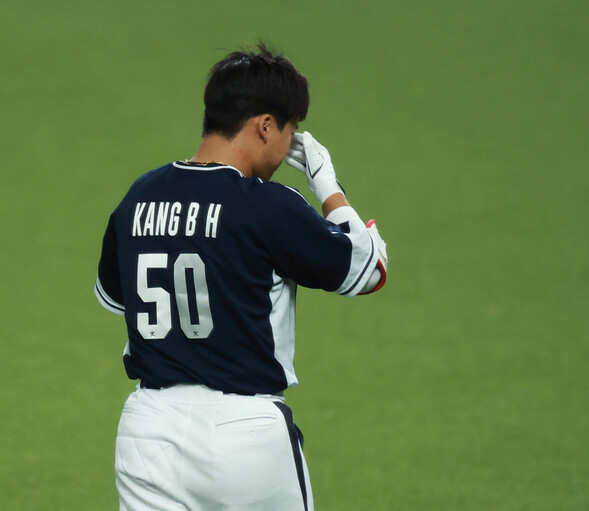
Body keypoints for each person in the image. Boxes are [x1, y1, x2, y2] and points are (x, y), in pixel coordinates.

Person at [94, 42, 388, 511]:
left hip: (148, 433)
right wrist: (328, 186)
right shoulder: (267, 204)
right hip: (244, 439)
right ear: (266, 126)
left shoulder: (138, 197)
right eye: (291, 132)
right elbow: (370, 268)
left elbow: (116, 297)